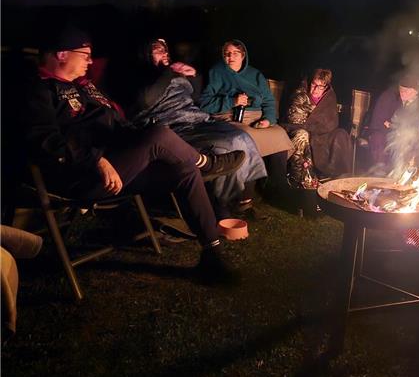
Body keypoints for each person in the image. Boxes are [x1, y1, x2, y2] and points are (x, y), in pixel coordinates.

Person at [25, 27, 244, 284]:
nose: (89, 60)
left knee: (183, 170)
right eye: (84, 54)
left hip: (118, 163)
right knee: (158, 135)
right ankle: (206, 162)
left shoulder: (85, 87)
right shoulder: (37, 90)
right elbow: (43, 140)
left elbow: (118, 124)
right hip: (83, 175)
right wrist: (96, 159)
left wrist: (135, 140)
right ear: (61, 54)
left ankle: (212, 255)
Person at [125, 38, 267, 217]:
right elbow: (146, 100)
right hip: (172, 127)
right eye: (158, 50)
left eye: (165, 50)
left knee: (242, 136)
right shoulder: (139, 76)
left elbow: (196, 99)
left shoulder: (173, 73)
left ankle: (244, 200)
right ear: (145, 54)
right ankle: (220, 206)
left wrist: (192, 76)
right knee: (226, 146)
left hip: (197, 120)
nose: (165, 53)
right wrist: (169, 72)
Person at [198, 39, 293, 188]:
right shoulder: (216, 72)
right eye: (227, 53)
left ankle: (276, 184)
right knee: (247, 137)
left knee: (279, 134)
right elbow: (205, 104)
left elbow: (268, 100)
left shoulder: (255, 75)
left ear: (243, 55)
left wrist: (268, 120)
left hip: (256, 116)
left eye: (235, 53)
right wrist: (232, 101)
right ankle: (247, 190)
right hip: (229, 116)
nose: (231, 56)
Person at [282, 68, 352, 187]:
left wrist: (317, 120)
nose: (315, 89)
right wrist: (312, 112)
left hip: (323, 132)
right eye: (314, 84)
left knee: (341, 134)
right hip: (300, 128)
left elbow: (332, 121)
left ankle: (336, 176)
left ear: (326, 87)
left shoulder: (329, 97)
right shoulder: (300, 95)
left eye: (320, 87)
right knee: (302, 135)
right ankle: (301, 179)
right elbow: (294, 118)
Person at [364, 73, 419, 169]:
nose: (402, 93)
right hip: (382, 132)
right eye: (401, 90)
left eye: (406, 91)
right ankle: (380, 170)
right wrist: (394, 128)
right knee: (381, 139)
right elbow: (379, 122)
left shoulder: (418, 103)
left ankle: (409, 171)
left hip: (405, 134)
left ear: (416, 92)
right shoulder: (389, 97)